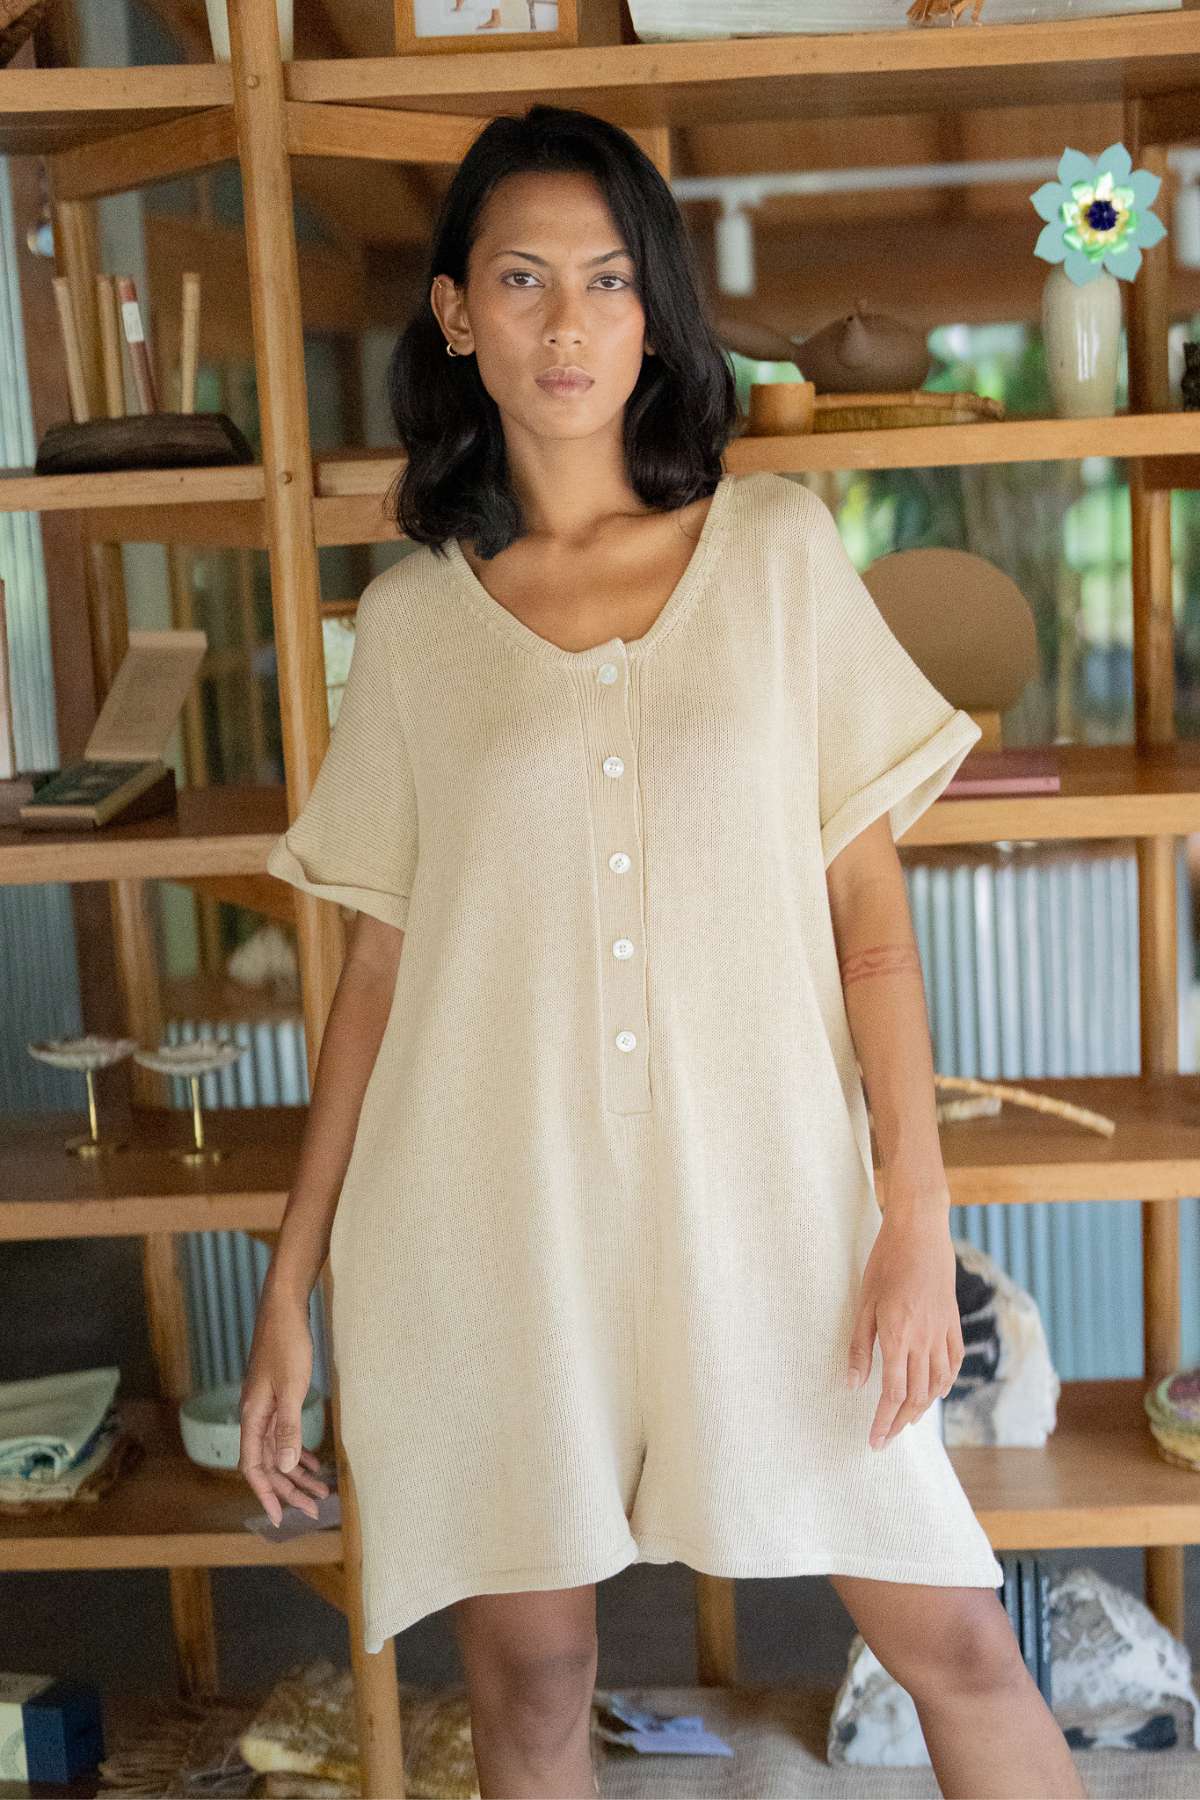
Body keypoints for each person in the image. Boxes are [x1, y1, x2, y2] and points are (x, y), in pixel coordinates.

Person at [240, 104, 1087, 1800]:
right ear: (457, 313)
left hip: (773, 1211)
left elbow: (870, 928)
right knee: (539, 1687)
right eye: (527, 279)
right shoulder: (409, 630)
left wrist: (916, 1217)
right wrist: (287, 1289)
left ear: (657, 312)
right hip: (487, 1227)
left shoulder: (774, 558)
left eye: (611, 279)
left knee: (960, 1647)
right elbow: (377, 977)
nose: (570, 322)